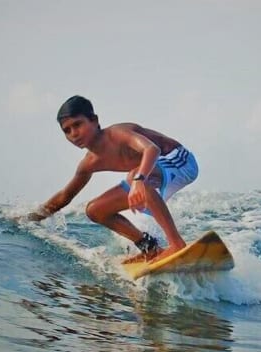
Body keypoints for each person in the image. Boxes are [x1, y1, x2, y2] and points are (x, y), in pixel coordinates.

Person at [27, 95, 199, 263]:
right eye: (67, 130)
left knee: (133, 177)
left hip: (181, 163)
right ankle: (150, 247)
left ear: (94, 120)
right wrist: (30, 218)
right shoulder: (89, 163)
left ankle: (176, 244)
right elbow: (65, 196)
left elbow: (152, 149)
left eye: (78, 124)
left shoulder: (118, 134)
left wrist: (138, 180)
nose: (74, 134)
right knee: (95, 210)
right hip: (151, 178)